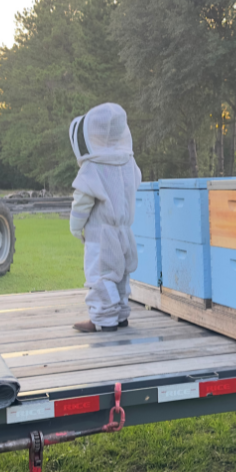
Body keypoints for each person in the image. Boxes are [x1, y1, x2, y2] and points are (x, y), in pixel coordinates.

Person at [68, 103, 142, 333]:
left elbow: (82, 201)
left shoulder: (93, 167)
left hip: (101, 234)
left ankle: (103, 319)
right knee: (120, 274)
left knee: (100, 276)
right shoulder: (129, 162)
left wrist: (75, 226)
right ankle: (120, 315)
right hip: (124, 230)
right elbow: (134, 187)